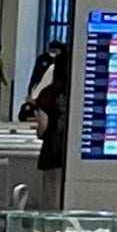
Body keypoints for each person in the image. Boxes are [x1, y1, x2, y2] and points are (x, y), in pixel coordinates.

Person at [23, 42, 69, 207]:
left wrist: (41, 132)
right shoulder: (77, 93)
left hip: (51, 152)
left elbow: (43, 126)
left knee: (51, 197)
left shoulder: (48, 94)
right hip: (71, 153)